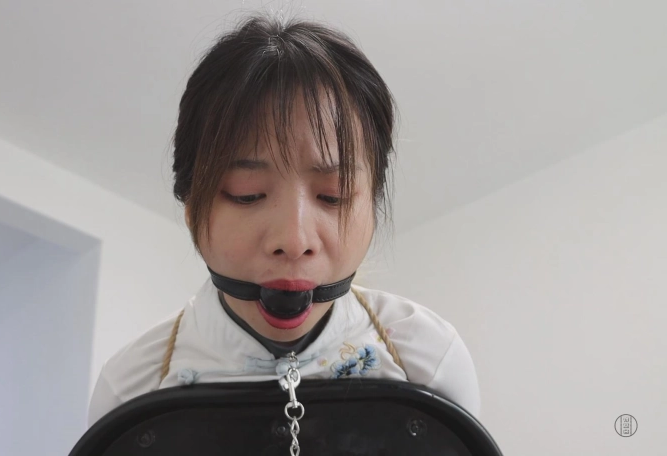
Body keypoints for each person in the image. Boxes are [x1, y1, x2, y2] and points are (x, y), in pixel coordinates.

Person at [88, 14, 480, 426]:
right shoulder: (131, 389)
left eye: (334, 195)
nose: (293, 240)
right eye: (246, 193)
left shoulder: (428, 362)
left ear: (373, 206)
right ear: (191, 211)